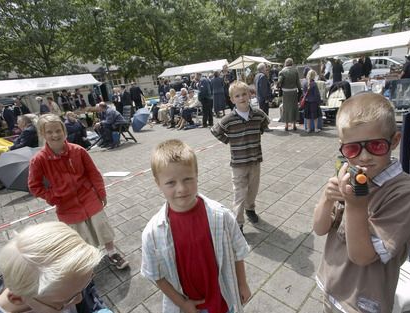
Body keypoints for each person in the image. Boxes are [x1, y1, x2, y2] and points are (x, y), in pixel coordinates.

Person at [313, 93, 410, 313]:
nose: (364, 157)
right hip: (331, 285)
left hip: (363, 300)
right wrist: (327, 198)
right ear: (342, 147)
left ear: (394, 141)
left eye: (376, 146)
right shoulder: (351, 175)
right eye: (352, 149)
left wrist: (356, 206)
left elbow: (362, 256)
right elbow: (320, 229)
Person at [141, 139, 251, 313]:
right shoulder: (152, 233)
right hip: (189, 307)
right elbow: (156, 275)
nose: (181, 188)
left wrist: (242, 283)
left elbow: (238, 251)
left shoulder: (221, 216)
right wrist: (182, 303)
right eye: (171, 182)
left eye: (188, 179)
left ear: (197, 175)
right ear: (158, 183)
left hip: (225, 298)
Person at [28, 114, 129, 270]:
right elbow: (34, 186)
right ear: (43, 134)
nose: (54, 135)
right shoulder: (38, 160)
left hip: (89, 197)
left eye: (58, 130)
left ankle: (112, 253)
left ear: (64, 131)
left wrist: (101, 194)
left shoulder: (78, 151)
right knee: (80, 237)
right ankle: (90, 259)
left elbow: (93, 174)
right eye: (49, 132)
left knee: (102, 227)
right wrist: (53, 197)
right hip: (66, 206)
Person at [0, 221, 111, 313]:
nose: (79, 299)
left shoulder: (72, 280)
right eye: (63, 303)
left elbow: (90, 300)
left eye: (87, 283)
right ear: (17, 298)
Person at [211, 81, 269, 232]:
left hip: (255, 160)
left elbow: (264, 124)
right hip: (238, 163)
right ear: (232, 99)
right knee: (239, 193)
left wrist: (256, 134)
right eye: (237, 96)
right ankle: (239, 223)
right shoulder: (228, 119)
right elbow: (215, 130)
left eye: (244, 94)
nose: (242, 97)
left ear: (250, 95)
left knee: (253, 189)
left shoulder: (258, 114)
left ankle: (250, 209)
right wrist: (228, 140)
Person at [278, 58, 301, 131]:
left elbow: (279, 82)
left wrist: (279, 85)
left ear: (285, 63)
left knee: (286, 109)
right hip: (294, 91)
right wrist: (300, 90)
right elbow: (298, 82)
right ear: (292, 63)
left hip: (286, 92)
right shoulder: (295, 71)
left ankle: (286, 125)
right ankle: (294, 125)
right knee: (294, 107)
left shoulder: (282, 71)